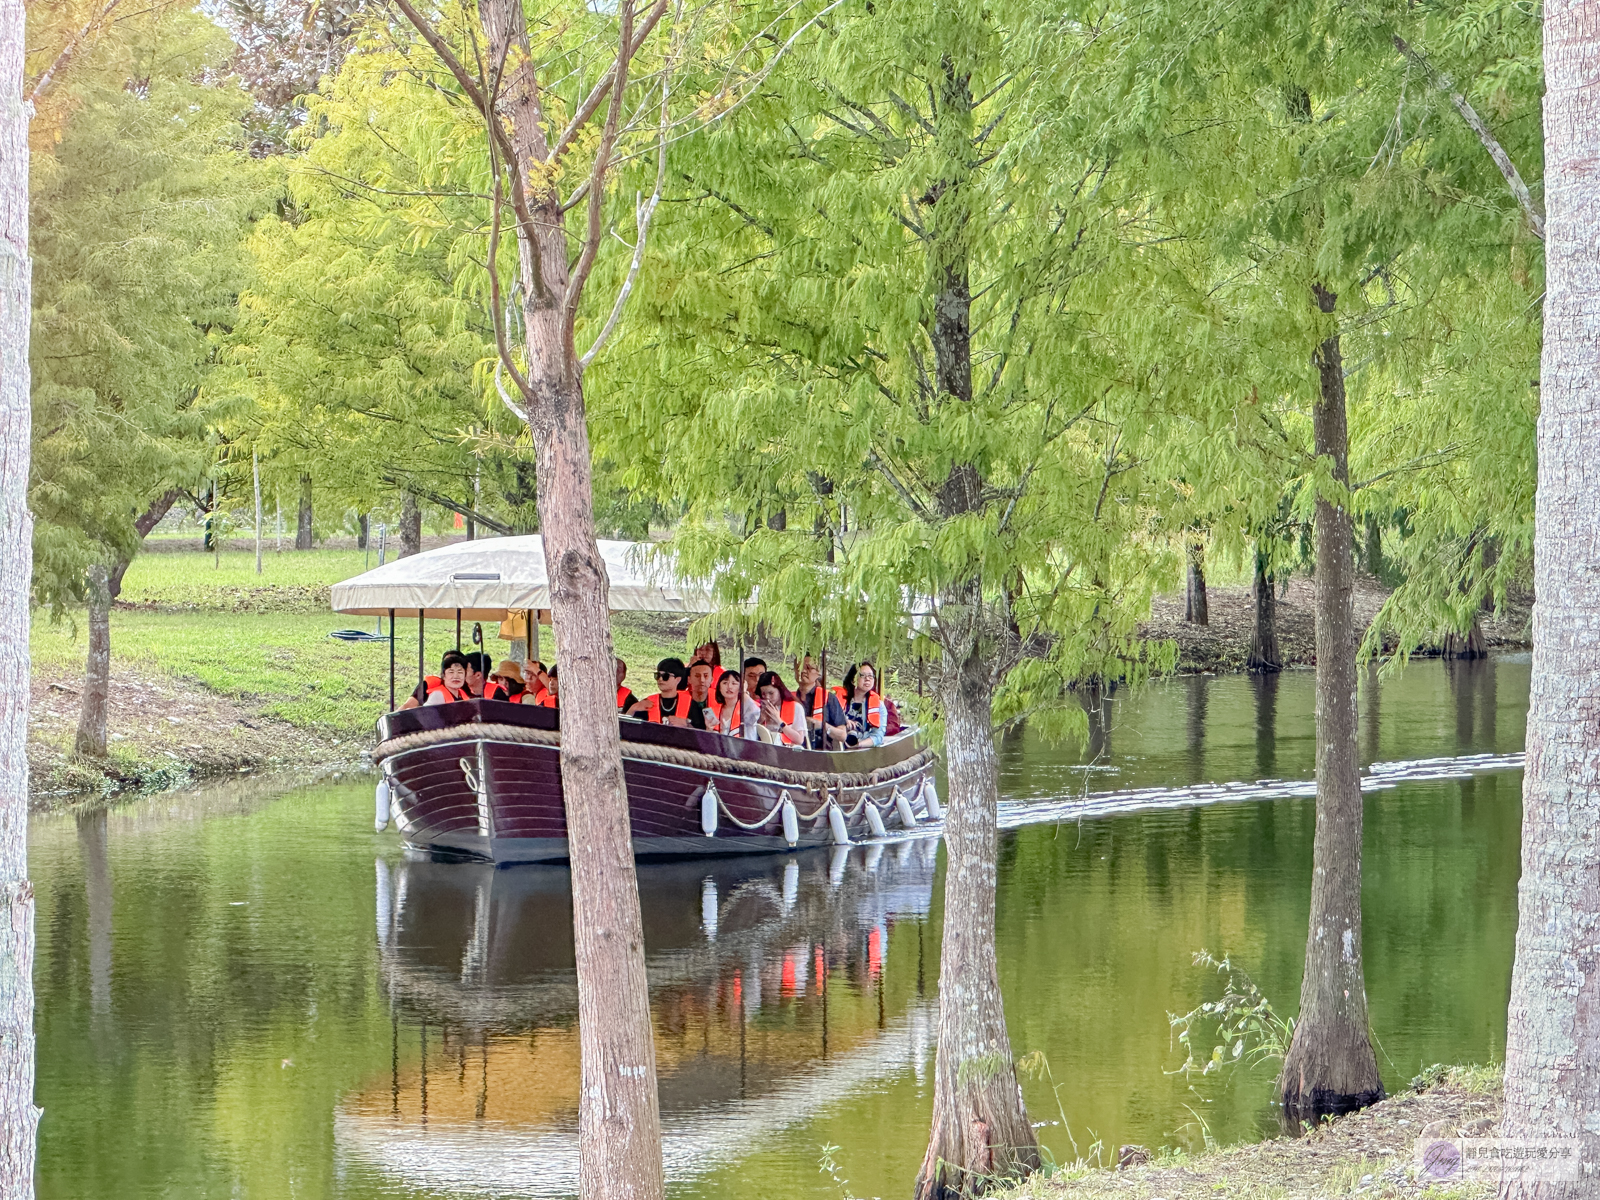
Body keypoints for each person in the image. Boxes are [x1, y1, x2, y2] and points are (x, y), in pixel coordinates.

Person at [795, 654, 849, 749]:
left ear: (818, 673)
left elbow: (842, 735)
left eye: (808, 668)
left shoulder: (829, 698)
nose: (803, 671)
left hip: (822, 754)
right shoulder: (789, 698)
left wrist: (821, 725)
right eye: (799, 667)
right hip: (794, 752)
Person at [399, 650, 472, 709]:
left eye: (460, 672)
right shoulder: (437, 695)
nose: (456, 676)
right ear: (443, 675)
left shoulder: (463, 693)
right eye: (451, 672)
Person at [631, 657, 692, 725]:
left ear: (678, 680)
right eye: (658, 675)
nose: (660, 679)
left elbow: (701, 732)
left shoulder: (690, 702)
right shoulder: (648, 702)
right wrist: (632, 709)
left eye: (665, 676)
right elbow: (631, 728)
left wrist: (687, 726)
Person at [840, 661, 886, 747]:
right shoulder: (837, 700)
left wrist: (857, 745)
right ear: (853, 680)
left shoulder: (879, 706)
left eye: (870, 676)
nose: (867, 679)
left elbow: (878, 736)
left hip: (862, 747)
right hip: (837, 744)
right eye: (863, 675)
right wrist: (843, 721)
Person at [754, 671, 807, 746]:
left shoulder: (796, 707)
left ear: (779, 690)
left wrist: (779, 721)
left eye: (771, 693)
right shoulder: (758, 707)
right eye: (764, 694)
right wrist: (760, 720)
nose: (767, 697)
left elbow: (799, 740)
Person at [709, 668, 758, 738]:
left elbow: (755, 713)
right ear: (719, 687)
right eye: (725, 683)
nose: (729, 687)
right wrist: (709, 728)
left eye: (734, 683)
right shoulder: (714, 710)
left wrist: (744, 692)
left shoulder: (746, 707)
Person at [685, 660, 718, 730]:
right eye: (697, 676)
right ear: (689, 679)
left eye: (706, 676)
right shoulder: (680, 701)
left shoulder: (720, 700)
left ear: (712, 679)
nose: (702, 680)